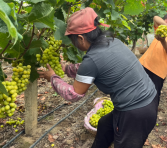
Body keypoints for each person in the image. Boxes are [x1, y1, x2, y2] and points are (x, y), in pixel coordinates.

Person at [38, 7, 158, 148]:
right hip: (148, 99)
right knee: (105, 125)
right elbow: (91, 68)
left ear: (81, 39)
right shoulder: (112, 42)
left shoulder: (92, 60)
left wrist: (53, 77)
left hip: (135, 112)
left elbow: (74, 94)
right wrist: (65, 68)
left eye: (72, 40)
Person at [139, 13, 167, 105]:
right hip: (144, 63)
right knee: (138, 89)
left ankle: (150, 115)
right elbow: (155, 17)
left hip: (158, 70)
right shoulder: (159, 29)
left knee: (153, 95)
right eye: (166, 19)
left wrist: (163, 41)